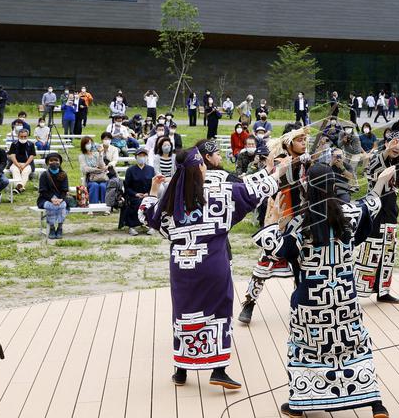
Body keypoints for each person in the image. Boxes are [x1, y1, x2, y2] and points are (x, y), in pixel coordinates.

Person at [253, 162, 393, 418]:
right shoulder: (349, 213)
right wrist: (381, 181)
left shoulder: (301, 223)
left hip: (311, 300)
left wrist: (273, 224)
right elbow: (372, 204)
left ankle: (301, 401)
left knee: (306, 346)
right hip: (345, 297)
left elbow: (278, 251)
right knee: (356, 343)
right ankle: (375, 402)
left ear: (306, 185)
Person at [141, 147, 282, 390]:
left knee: (184, 314)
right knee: (217, 312)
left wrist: (153, 191)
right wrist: (277, 173)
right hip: (212, 263)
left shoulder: (172, 198)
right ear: (199, 167)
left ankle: (182, 369)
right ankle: (218, 370)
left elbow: (147, 216)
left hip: (182, 267)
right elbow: (252, 193)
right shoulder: (219, 193)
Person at [239, 126, 311, 324]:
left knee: (303, 264)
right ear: (289, 144)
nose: (304, 143)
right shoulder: (281, 161)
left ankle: (300, 305)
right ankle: (249, 302)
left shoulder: (308, 162)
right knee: (265, 262)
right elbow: (283, 174)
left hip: (303, 219)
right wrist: (298, 162)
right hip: (281, 220)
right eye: (300, 140)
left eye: (305, 139)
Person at [355, 129, 399, 304]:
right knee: (370, 250)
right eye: (393, 143)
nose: (397, 147)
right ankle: (358, 289)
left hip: (391, 212)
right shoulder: (375, 159)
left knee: (388, 253)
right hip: (375, 211)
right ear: (386, 143)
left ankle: (383, 291)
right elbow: (374, 171)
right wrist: (387, 150)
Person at [121, 148, 155, 235]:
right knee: (137, 203)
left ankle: (150, 225)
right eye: (140, 156)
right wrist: (135, 194)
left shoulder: (151, 169)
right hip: (134, 195)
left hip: (148, 194)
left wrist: (148, 193)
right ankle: (132, 226)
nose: (142, 157)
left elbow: (153, 184)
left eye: (144, 156)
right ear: (136, 157)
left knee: (149, 204)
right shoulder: (130, 170)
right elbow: (127, 187)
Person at [38, 152, 70, 239]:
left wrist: (60, 199)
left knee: (62, 205)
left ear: (60, 162)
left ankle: (60, 227)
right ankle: (52, 228)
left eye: (56, 160)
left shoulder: (63, 174)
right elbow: (42, 191)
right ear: (48, 162)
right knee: (50, 206)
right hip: (46, 198)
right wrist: (51, 199)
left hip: (60, 198)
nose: (54, 162)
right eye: (51, 160)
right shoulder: (44, 175)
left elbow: (64, 190)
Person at [76, 136, 107, 204]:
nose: (89, 145)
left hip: (101, 177)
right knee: (94, 185)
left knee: (103, 186)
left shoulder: (96, 154)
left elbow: (102, 166)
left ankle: (105, 207)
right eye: (87, 144)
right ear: (83, 145)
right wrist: (96, 169)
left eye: (90, 143)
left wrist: (100, 154)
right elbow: (85, 169)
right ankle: (93, 207)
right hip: (90, 178)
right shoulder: (82, 156)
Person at [7, 128, 36, 193]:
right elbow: (12, 156)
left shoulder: (31, 144)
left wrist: (24, 165)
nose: (23, 138)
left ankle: (18, 187)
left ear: (27, 136)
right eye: (21, 136)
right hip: (15, 163)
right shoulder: (14, 144)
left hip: (27, 163)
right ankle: (20, 186)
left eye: (25, 136)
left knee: (25, 172)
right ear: (18, 136)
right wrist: (18, 165)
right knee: (15, 171)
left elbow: (31, 156)